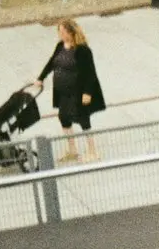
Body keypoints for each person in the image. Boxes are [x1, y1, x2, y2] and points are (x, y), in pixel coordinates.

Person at [36, 18, 107, 163]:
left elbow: (90, 73)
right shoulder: (60, 46)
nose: (60, 34)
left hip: (78, 91)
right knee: (64, 117)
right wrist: (41, 78)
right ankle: (72, 149)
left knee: (83, 119)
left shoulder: (82, 50)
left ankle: (93, 151)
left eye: (62, 31)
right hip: (63, 92)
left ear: (70, 32)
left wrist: (87, 92)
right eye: (59, 31)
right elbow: (51, 62)